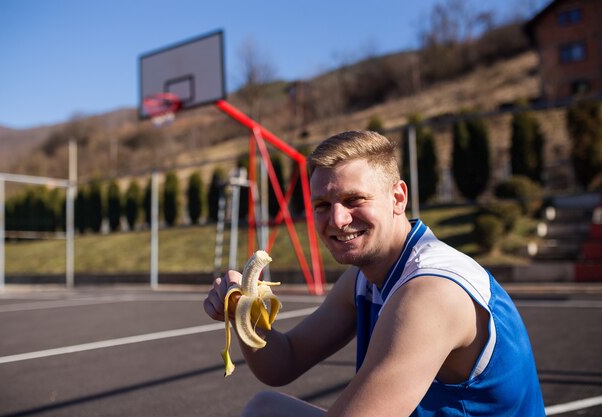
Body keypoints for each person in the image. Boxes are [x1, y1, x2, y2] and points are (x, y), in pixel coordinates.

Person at [203, 130, 546, 416]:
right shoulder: (365, 277)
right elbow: (284, 361)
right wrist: (244, 313)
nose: (337, 220)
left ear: (398, 198)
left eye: (354, 200)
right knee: (266, 410)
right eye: (322, 205)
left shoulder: (430, 293)